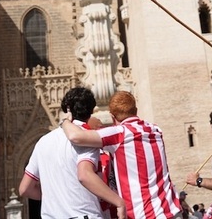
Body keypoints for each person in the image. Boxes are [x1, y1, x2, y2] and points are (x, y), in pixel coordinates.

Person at [61, 90, 181, 219]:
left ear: (113, 117)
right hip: (171, 210)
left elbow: (75, 136)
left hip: (144, 215)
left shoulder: (119, 134)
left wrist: (65, 122)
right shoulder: (156, 130)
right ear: (135, 110)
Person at [19, 87, 126, 219]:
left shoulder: (42, 142)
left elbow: (25, 189)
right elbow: (85, 175)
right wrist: (119, 202)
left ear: (67, 109)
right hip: (84, 214)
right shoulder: (87, 138)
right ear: (92, 111)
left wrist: (54, 196)